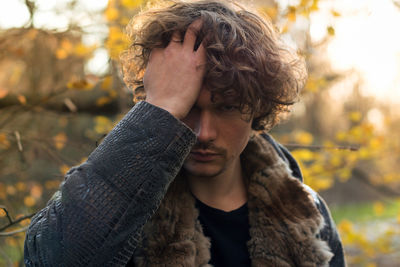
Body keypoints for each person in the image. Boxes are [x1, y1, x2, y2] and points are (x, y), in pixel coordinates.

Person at [24, 0, 345, 266]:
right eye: (187, 107)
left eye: (227, 108)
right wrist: (161, 108)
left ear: (259, 110)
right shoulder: (121, 211)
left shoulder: (307, 215)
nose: (203, 133)